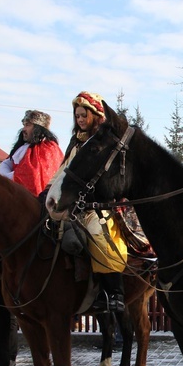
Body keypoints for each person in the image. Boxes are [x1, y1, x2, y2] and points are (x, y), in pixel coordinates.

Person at [60, 91, 128, 313]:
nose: (79, 120)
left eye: (83, 116)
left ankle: (113, 291)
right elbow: (63, 171)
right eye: (77, 116)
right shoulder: (74, 143)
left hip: (97, 205)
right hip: (73, 204)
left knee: (97, 232)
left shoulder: (103, 141)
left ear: (95, 115)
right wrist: (50, 191)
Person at [0, 110, 64, 197]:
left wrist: (7, 176)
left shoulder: (49, 149)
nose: (24, 129)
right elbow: (8, 163)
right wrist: (5, 173)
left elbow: (31, 174)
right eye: (24, 125)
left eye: (28, 125)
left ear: (38, 128)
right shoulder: (22, 148)